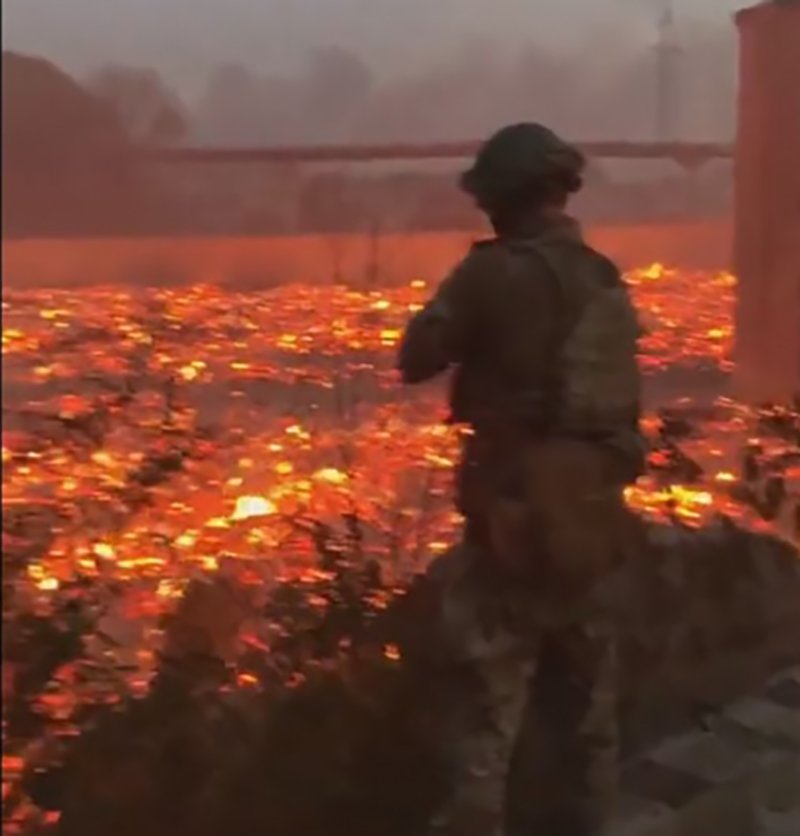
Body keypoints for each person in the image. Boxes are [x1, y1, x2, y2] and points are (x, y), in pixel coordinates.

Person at [397, 123, 644, 836]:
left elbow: (417, 356)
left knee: (483, 721)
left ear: (502, 198)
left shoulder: (490, 274)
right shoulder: (602, 278)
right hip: (592, 519)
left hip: (514, 522)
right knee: (589, 722)